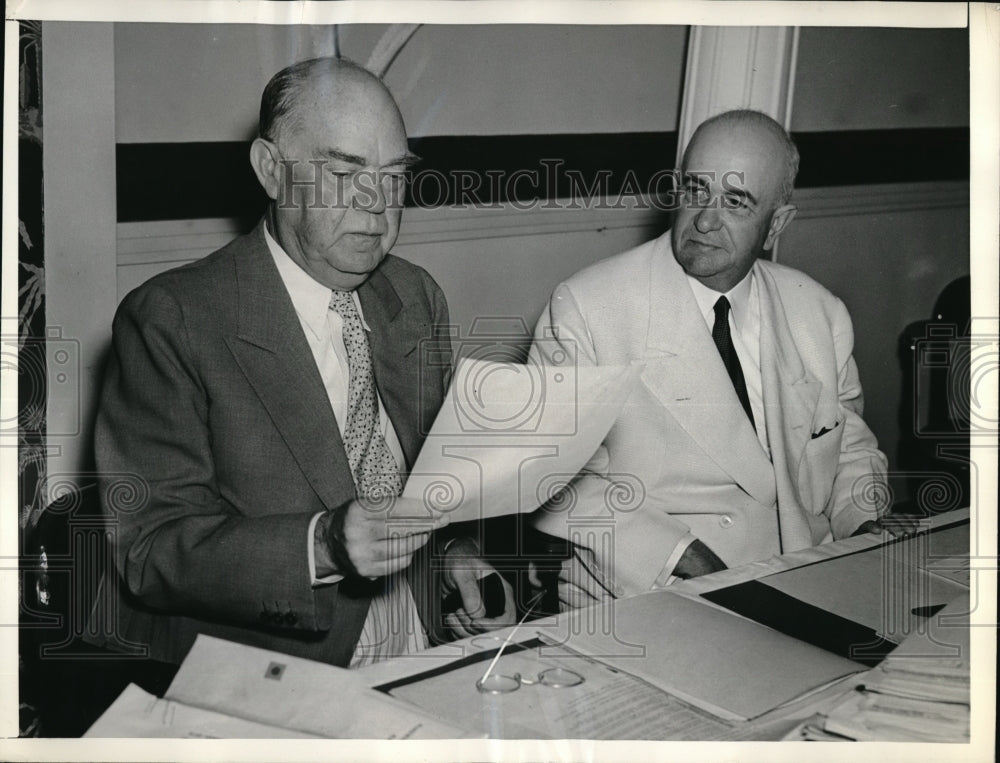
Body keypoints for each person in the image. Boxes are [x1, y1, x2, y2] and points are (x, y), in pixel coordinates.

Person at [90, 57, 513, 668]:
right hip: (272, 665)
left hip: (417, 637)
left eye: (394, 178)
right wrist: (323, 546)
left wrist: (452, 554)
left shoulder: (415, 297)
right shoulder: (173, 319)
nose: (377, 207)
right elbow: (150, 550)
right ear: (271, 171)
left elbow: (425, 483)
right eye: (345, 174)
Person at [529, 109, 912, 604]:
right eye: (695, 191)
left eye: (735, 202)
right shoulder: (587, 306)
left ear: (776, 225)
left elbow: (851, 452)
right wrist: (684, 560)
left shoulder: (819, 312)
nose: (705, 221)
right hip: (641, 592)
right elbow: (554, 478)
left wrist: (865, 525)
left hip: (801, 583)